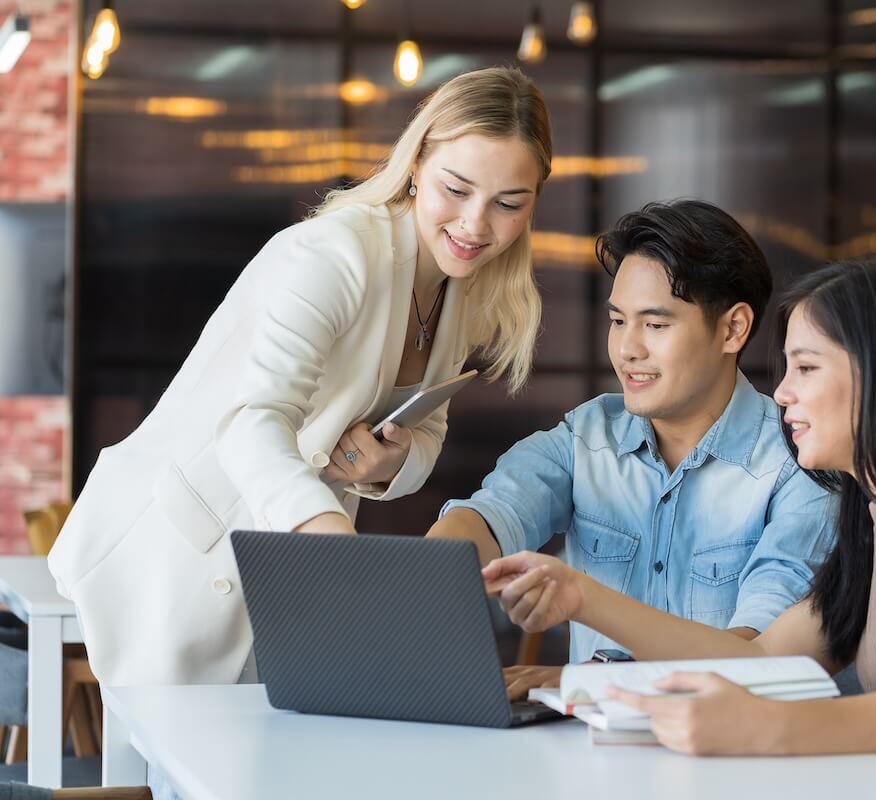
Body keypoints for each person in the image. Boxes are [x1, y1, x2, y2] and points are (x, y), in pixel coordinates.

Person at [484, 256, 876, 798]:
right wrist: (583, 604)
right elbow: (757, 658)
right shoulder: (874, 515)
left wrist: (763, 730)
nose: (782, 393)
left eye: (807, 368)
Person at [48, 66, 552, 687]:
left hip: (282, 566)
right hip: (180, 550)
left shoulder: (460, 288)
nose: (477, 224)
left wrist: (386, 467)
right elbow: (252, 421)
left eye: (509, 204)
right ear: (417, 164)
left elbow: (429, 429)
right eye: (457, 188)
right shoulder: (334, 254)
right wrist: (329, 540)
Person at [427, 199, 833, 699]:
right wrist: (438, 566)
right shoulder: (588, 435)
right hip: (590, 756)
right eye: (619, 321)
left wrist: (590, 677)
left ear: (733, 329)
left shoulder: (800, 464)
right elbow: (492, 512)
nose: (627, 349)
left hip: (729, 759)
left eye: (656, 325)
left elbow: (758, 662)